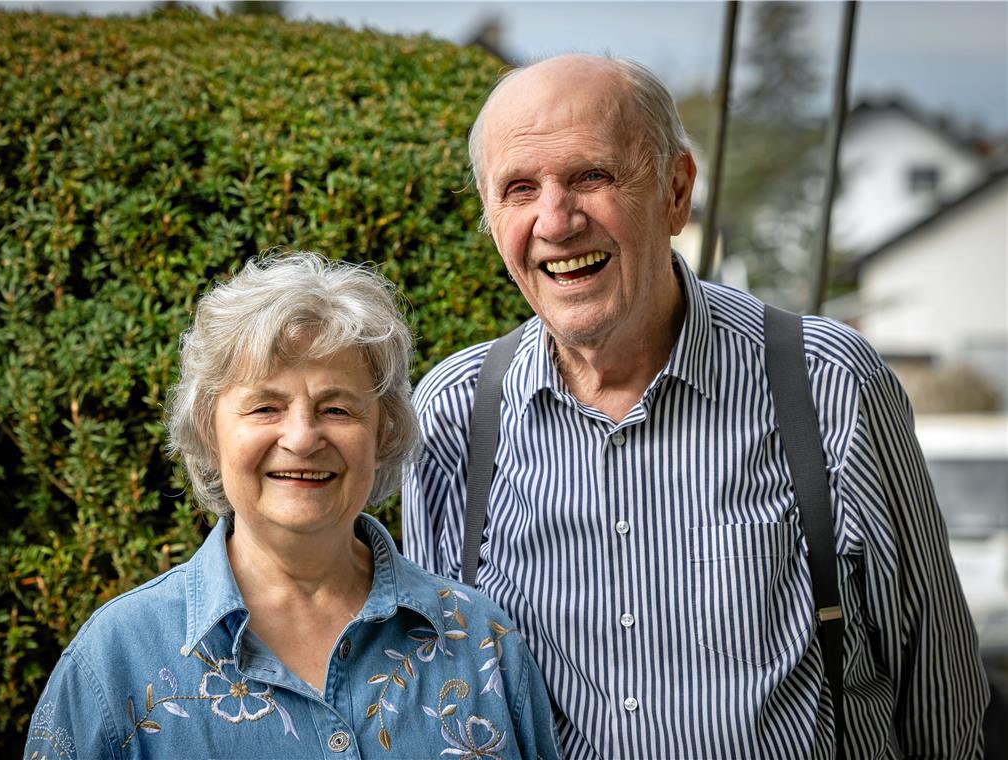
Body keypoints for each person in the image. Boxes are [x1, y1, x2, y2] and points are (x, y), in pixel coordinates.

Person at [402, 54, 989, 758]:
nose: (555, 221)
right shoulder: (453, 415)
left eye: (592, 176)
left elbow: (939, 688)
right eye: (519, 188)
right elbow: (447, 700)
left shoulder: (828, 385)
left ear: (676, 191)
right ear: (493, 219)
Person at [23, 252, 561, 759]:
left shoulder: (482, 645)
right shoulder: (115, 662)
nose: (302, 438)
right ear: (211, 434)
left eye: (337, 408)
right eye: (264, 407)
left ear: (384, 430)